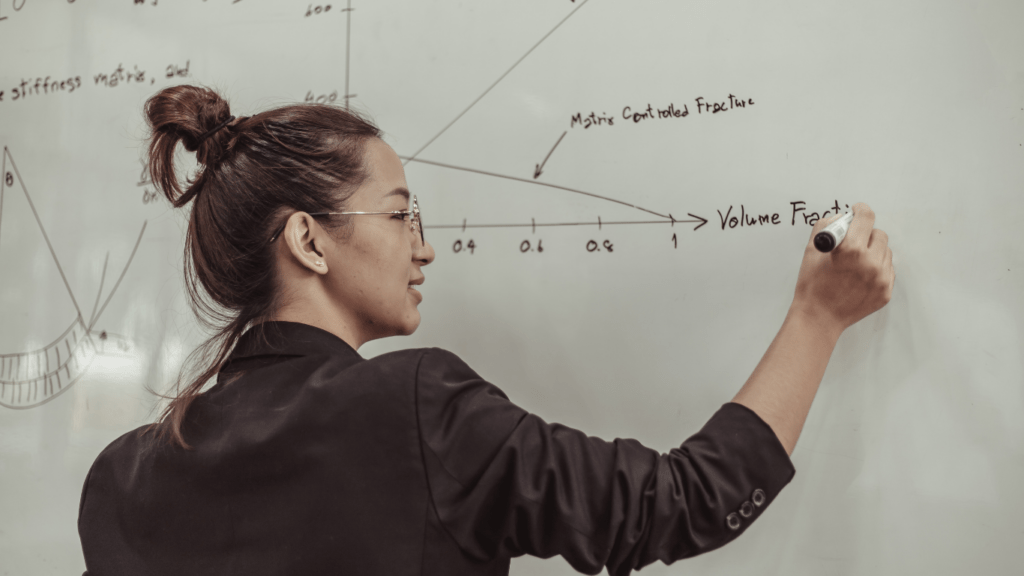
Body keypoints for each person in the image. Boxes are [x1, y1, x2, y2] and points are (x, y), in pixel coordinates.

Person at [77, 85, 895, 576]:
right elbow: (682, 502)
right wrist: (818, 316)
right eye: (401, 215)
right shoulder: (415, 405)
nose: (424, 247)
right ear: (307, 240)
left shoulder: (117, 481)